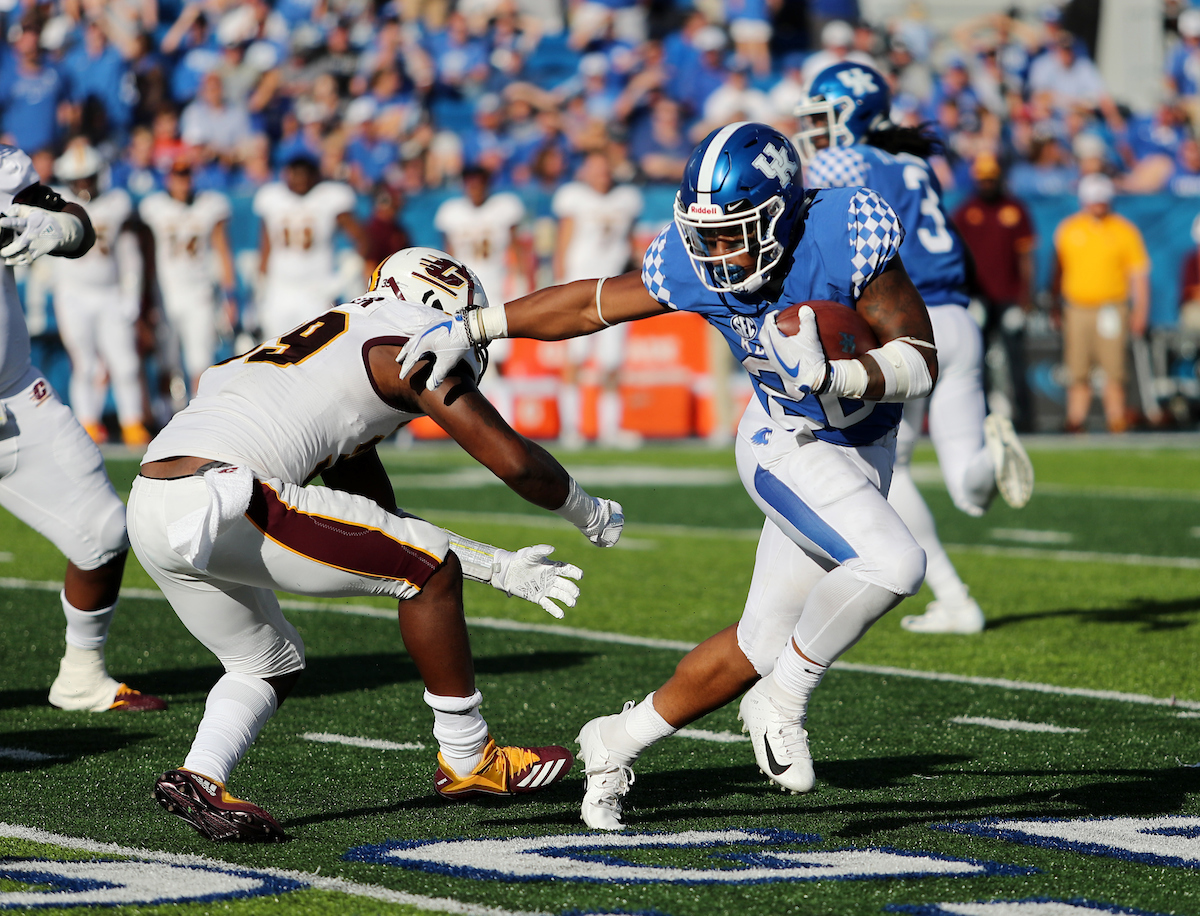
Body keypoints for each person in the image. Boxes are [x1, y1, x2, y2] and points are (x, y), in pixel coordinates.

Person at [398, 122, 937, 828]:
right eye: (705, 233)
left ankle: (614, 741)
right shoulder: (695, 261)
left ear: (781, 213)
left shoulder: (844, 227)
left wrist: (837, 372)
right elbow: (591, 303)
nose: (714, 251)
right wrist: (478, 327)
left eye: (733, 232)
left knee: (761, 642)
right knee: (894, 564)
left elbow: (922, 359)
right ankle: (783, 699)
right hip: (787, 440)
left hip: (862, 443)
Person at [128, 247, 625, 842]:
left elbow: (379, 524)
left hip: (153, 500)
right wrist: (585, 509)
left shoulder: (327, 342)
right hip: (228, 494)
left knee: (267, 660)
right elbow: (516, 464)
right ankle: (468, 758)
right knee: (429, 572)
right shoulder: (411, 341)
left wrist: (496, 567)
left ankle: (200, 777)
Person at [797, 62, 1034, 635]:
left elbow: (832, 238)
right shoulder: (915, 160)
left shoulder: (849, 159)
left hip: (909, 324)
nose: (817, 131)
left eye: (826, 117)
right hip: (959, 319)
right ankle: (992, 452)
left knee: (889, 469)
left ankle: (954, 598)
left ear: (855, 114)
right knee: (967, 487)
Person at [0, 143, 165, 715]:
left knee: (102, 530)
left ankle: (80, 675)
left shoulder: (5, 169)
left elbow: (79, 223)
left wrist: (55, 229)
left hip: (14, 395)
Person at [49, 143, 153, 447]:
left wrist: (131, 294)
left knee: (125, 362)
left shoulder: (117, 202)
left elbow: (129, 253)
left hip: (109, 293)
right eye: (78, 179)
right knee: (85, 364)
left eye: (89, 177)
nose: (84, 185)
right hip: (73, 294)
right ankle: (88, 423)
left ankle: (132, 422)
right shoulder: (56, 203)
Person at [551, 151, 644, 448]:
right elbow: (563, 241)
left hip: (614, 288)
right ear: (585, 173)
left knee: (612, 361)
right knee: (576, 358)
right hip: (579, 286)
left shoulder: (626, 198)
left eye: (606, 169)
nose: (602, 175)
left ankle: (609, 429)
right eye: (596, 169)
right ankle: (571, 428)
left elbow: (630, 243)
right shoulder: (574, 197)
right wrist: (559, 282)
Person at [1051, 173, 1150, 434]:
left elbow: (1138, 275)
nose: (1097, 205)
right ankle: (1076, 418)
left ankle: (1115, 417)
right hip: (1077, 306)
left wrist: (1141, 310)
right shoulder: (1069, 229)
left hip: (1111, 307)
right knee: (1077, 367)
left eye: (1101, 199)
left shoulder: (1123, 230)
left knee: (1113, 367)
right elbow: (1058, 270)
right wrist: (1055, 305)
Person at [434, 166, 529, 424]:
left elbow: (517, 246)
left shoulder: (502, 207)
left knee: (498, 359)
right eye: (470, 183)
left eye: (479, 183)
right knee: (468, 359)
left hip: (496, 289)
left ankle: (504, 419)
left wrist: (521, 278)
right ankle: (482, 421)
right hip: (465, 295)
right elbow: (448, 255)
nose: (474, 188)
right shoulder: (453, 212)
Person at [952, 153, 1038, 433]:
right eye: (983, 180)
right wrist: (966, 295)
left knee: (1016, 360)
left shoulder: (1015, 208)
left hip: (1008, 296)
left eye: (991, 179)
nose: (987, 184)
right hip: (979, 296)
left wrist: (1025, 299)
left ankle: (1025, 418)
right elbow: (958, 256)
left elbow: (1026, 257)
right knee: (978, 359)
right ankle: (983, 416)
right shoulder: (967, 211)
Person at [138, 160, 238, 400]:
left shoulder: (209, 205)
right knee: (167, 360)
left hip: (199, 293)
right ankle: (165, 417)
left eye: (186, 175)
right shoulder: (154, 207)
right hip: (166, 293)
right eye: (178, 175)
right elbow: (146, 256)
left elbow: (222, 249)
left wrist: (230, 294)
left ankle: (197, 412)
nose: (183, 182)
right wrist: (146, 298)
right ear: (168, 178)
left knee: (200, 360)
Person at [252, 153, 365, 340]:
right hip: (279, 288)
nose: (298, 179)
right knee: (273, 349)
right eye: (294, 174)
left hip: (316, 289)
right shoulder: (272, 197)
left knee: (314, 350)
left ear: (314, 176)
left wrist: (347, 272)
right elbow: (266, 243)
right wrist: (261, 279)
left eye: (303, 174)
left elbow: (361, 238)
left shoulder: (329, 197)